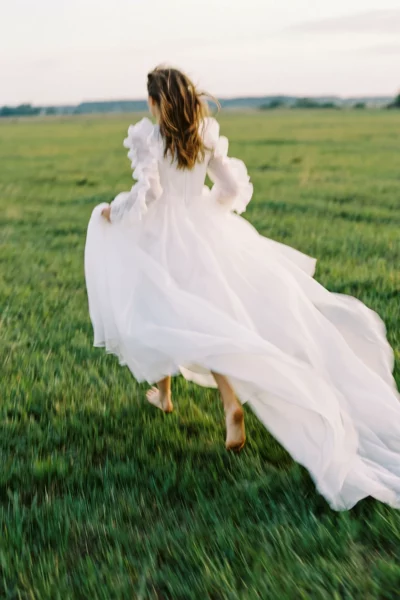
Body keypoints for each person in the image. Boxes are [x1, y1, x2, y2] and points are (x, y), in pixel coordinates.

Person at [85, 66, 400, 510]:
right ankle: (177, 394)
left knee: (168, 310)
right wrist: (210, 214)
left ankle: (197, 399)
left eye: (150, 100)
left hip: (164, 236)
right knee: (201, 314)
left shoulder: (149, 138)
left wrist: (114, 212)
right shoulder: (204, 134)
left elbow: (150, 194)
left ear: (157, 102)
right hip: (205, 231)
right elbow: (231, 187)